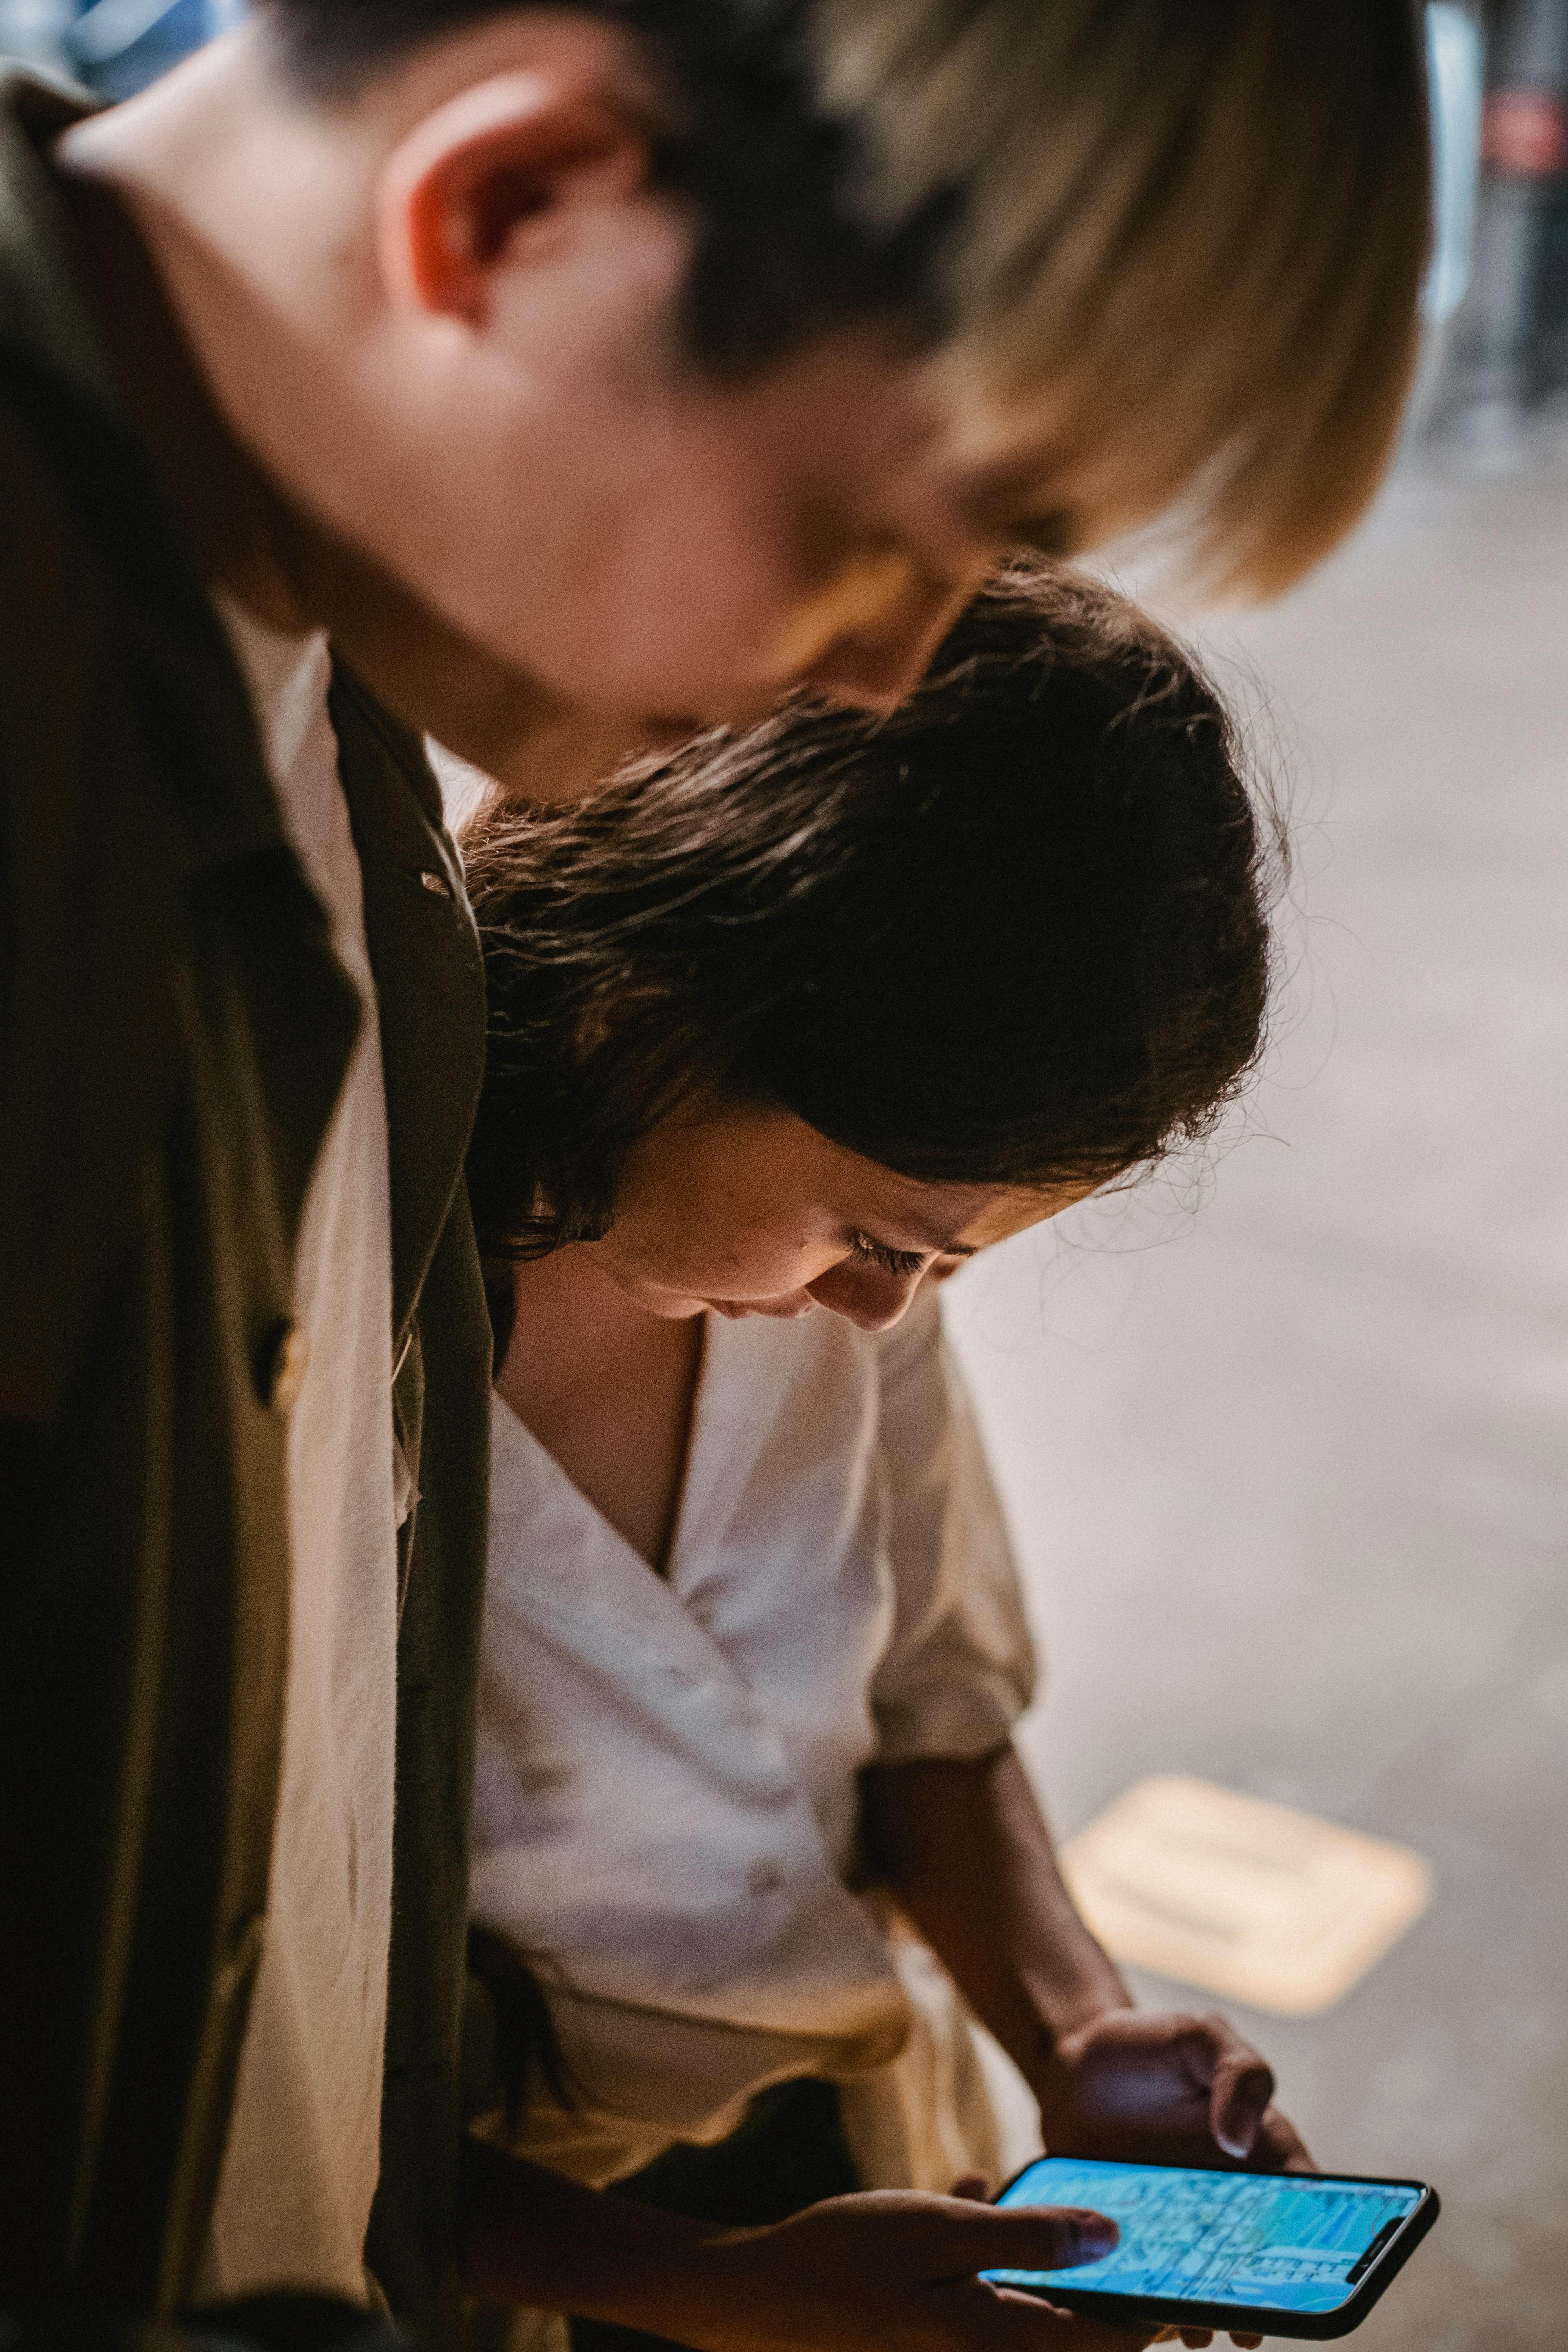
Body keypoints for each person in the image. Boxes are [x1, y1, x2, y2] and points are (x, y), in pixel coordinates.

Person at [0, 0, 1427, 2337]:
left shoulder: (335, 772)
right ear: (515, 207)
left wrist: (1058, 2016)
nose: (867, 685)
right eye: (885, 539)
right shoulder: (97, 780)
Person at [454, 572, 1305, 2348]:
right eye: (883, 1234)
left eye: (943, 1265)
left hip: (841, 2162)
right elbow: (190, 2083)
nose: (883, 1312)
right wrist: (699, 2294)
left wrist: (1074, 2031)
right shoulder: (310, 1359)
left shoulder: (808, 1282)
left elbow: (927, 1704)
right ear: (646, 1022)